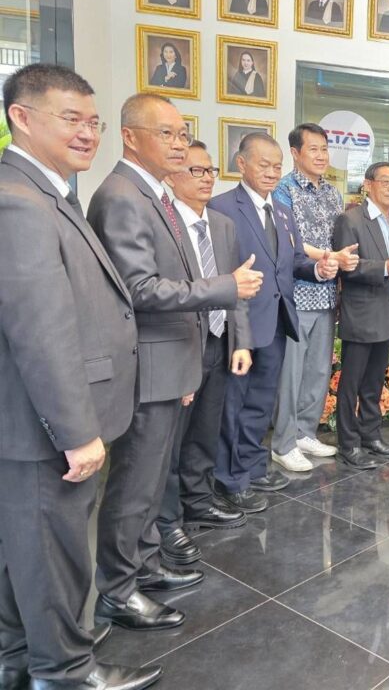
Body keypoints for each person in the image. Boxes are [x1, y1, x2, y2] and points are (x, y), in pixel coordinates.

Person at [0, 64, 160, 690]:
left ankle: (23, 658)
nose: (88, 133)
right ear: (21, 117)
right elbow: (40, 331)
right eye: (71, 119)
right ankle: (66, 672)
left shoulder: (46, 194)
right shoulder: (19, 203)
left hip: (37, 423)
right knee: (54, 555)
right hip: (44, 428)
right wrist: (75, 432)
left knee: (28, 552)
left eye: (94, 122)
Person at [89, 94, 250, 632]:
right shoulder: (122, 196)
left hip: (170, 362)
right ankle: (118, 591)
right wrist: (225, 286)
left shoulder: (151, 193)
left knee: (153, 477)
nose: (180, 145)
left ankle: (144, 565)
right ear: (130, 136)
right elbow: (139, 289)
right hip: (148, 366)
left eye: (183, 134)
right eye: (168, 134)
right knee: (134, 483)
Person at [208, 133, 340, 512]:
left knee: (261, 404)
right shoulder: (222, 208)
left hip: (277, 322)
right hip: (240, 324)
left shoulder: (282, 210)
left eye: (276, 166)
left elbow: (293, 261)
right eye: (263, 164)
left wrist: (317, 269)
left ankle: (253, 467)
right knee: (233, 405)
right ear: (241, 164)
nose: (270, 172)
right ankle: (229, 479)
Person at [155, 142, 258, 569]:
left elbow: (237, 288)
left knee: (204, 430)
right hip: (179, 345)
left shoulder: (222, 224)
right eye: (195, 170)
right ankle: (167, 520)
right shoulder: (163, 221)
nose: (206, 178)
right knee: (169, 440)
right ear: (171, 174)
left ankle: (198, 500)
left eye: (210, 170)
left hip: (217, 340)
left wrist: (241, 340)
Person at [271, 124, 351, 472]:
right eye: (314, 149)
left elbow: (338, 239)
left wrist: (340, 264)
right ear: (295, 152)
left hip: (327, 294)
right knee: (291, 373)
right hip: (297, 294)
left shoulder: (333, 194)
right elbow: (289, 241)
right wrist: (329, 257)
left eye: (325, 149)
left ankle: (305, 432)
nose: (321, 155)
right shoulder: (283, 190)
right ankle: (283, 443)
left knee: (318, 369)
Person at [332, 161, 389, 468]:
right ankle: (348, 444)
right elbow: (346, 267)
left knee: (374, 381)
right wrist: (384, 268)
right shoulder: (350, 220)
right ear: (368, 185)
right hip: (362, 314)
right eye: (385, 181)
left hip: (388, 312)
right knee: (351, 383)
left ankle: (371, 435)